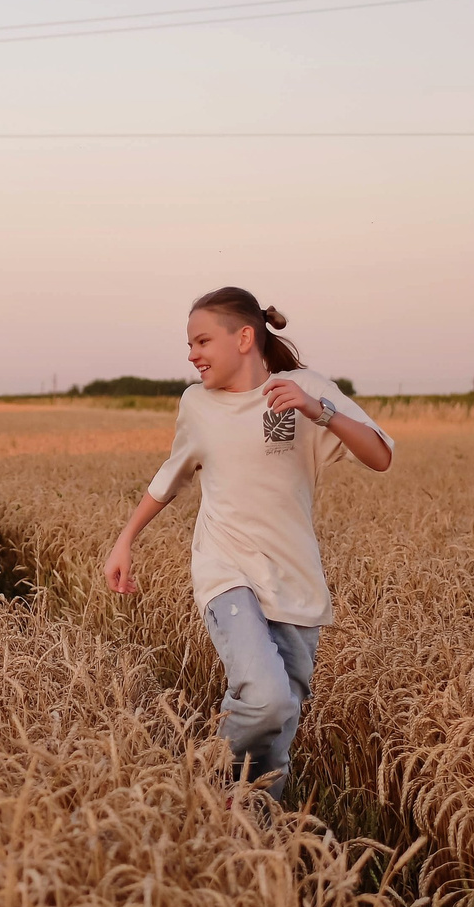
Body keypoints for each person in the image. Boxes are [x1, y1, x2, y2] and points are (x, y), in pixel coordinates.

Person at [103, 287, 393, 803]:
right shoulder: (197, 403)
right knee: (263, 699)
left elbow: (380, 456)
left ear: (244, 337)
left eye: (201, 340)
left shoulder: (304, 389)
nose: (191, 354)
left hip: (296, 583)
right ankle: (200, 790)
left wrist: (317, 410)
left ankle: (250, 835)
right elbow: (169, 478)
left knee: (277, 732)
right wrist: (125, 541)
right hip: (227, 573)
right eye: (189, 343)